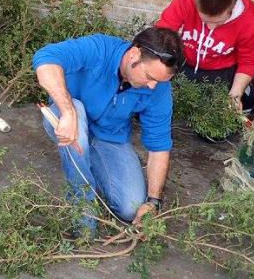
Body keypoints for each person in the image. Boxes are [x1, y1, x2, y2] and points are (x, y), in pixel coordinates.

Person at [32, 27, 184, 232]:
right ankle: (82, 213)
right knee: (76, 111)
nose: (152, 86)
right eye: (149, 76)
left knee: (130, 208)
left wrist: (153, 201)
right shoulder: (100, 49)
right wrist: (67, 111)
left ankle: (91, 160)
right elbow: (46, 57)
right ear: (134, 54)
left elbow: (159, 147)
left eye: (159, 81)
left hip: (110, 138)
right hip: (67, 120)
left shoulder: (159, 89)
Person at [156, 0, 254, 119]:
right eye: (205, 21)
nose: (210, 27)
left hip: (223, 68)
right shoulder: (187, 0)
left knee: (215, 132)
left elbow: (249, 60)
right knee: (157, 110)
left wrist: (235, 95)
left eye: (218, 22)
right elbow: (163, 32)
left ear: (231, 11)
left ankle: (245, 97)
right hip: (187, 61)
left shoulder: (250, 20)